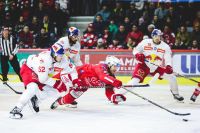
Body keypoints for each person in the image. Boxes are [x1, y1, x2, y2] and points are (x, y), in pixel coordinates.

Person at [123, 29, 184, 101]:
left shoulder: (165, 46)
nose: (157, 37)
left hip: (155, 67)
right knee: (135, 80)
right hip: (143, 66)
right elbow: (135, 50)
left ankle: (176, 94)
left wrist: (169, 66)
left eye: (159, 36)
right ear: (152, 36)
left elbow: (168, 58)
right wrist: (138, 54)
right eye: (155, 36)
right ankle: (120, 94)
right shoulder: (145, 42)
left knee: (172, 77)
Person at [9, 43, 66, 119]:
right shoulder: (45, 60)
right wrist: (57, 83)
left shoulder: (53, 58)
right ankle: (16, 109)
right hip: (28, 69)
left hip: (38, 73)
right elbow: (43, 79)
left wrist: (58, 84)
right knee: (33, 87)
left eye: (62, 55)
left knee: (55, 90)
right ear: (54, 54)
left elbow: (45, 76)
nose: (61, 57)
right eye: (59, 55)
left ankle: (36, 99)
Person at [50, 56, 126, 109]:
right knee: (52, 83)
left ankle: (58, 102)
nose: (117, 69)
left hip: (83, 85)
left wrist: (114, 98)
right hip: (75, 75)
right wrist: (115, 82)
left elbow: (109, 91)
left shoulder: (111, 78)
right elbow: (103, 77)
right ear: (110, 64)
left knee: (69, 99)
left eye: (118, 67)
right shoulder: (101, 67)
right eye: (116, 66)